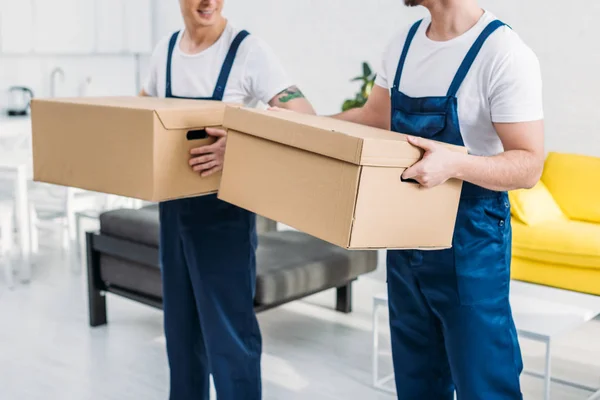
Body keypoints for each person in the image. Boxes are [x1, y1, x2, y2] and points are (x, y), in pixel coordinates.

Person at [333, 0, 544, 398]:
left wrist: (454, 166)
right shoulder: (403, 45)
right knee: (416, 382)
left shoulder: (503, 53)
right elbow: (372, 119)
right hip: (405, 236)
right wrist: (290, 127)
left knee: (484, 384)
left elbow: (529, 165)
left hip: (471, 244)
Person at [140, 1, 315, 399]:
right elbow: (140, 110)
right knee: (181, 335)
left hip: (224, 215)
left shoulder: (247, 51)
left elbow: (305, 117)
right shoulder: (164, 52)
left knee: (229, 339)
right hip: (171, 210)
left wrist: (241, 145)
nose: (209, 2)